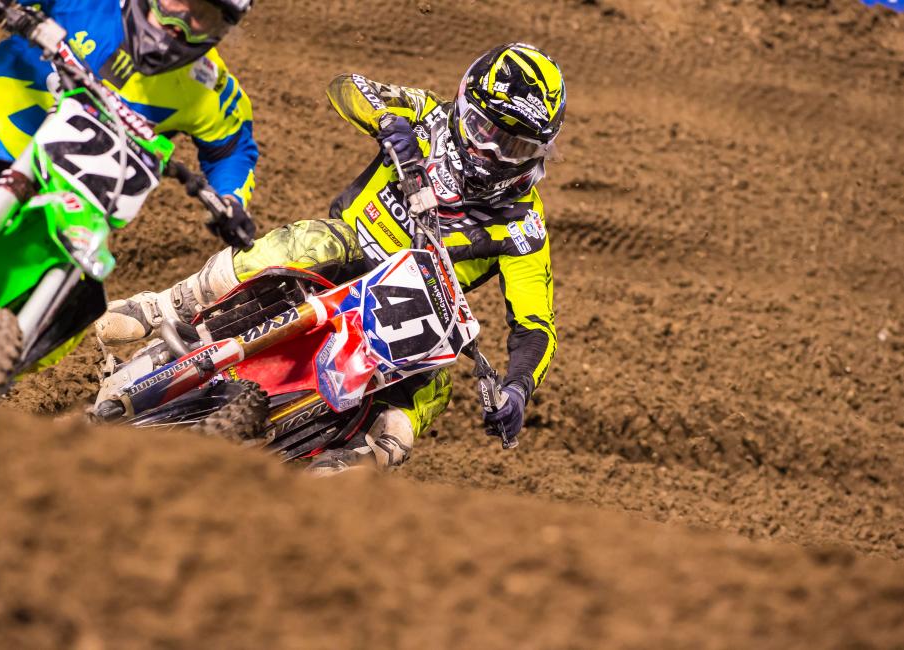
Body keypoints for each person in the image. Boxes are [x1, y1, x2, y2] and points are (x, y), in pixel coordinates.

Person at [96, 42, 565, 474]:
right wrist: (388, 122)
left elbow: (536, 324)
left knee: (436, 384)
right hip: (345, 256)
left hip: (409, 311)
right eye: (486, 131)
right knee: (316, 241)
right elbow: (349, 87)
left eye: (515, 147)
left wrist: (517, 388)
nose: (492, 153)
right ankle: (164, 305)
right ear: (463, 106)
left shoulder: (524, 226)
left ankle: (354, 468)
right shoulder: (427, 114)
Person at [0, 0, 257, 247]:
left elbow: (232, 149)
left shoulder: (208, 88)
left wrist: (230, 201)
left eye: (202, 18)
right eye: (178, 2)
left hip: (64, 199)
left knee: (77, 284)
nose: (179, 25)